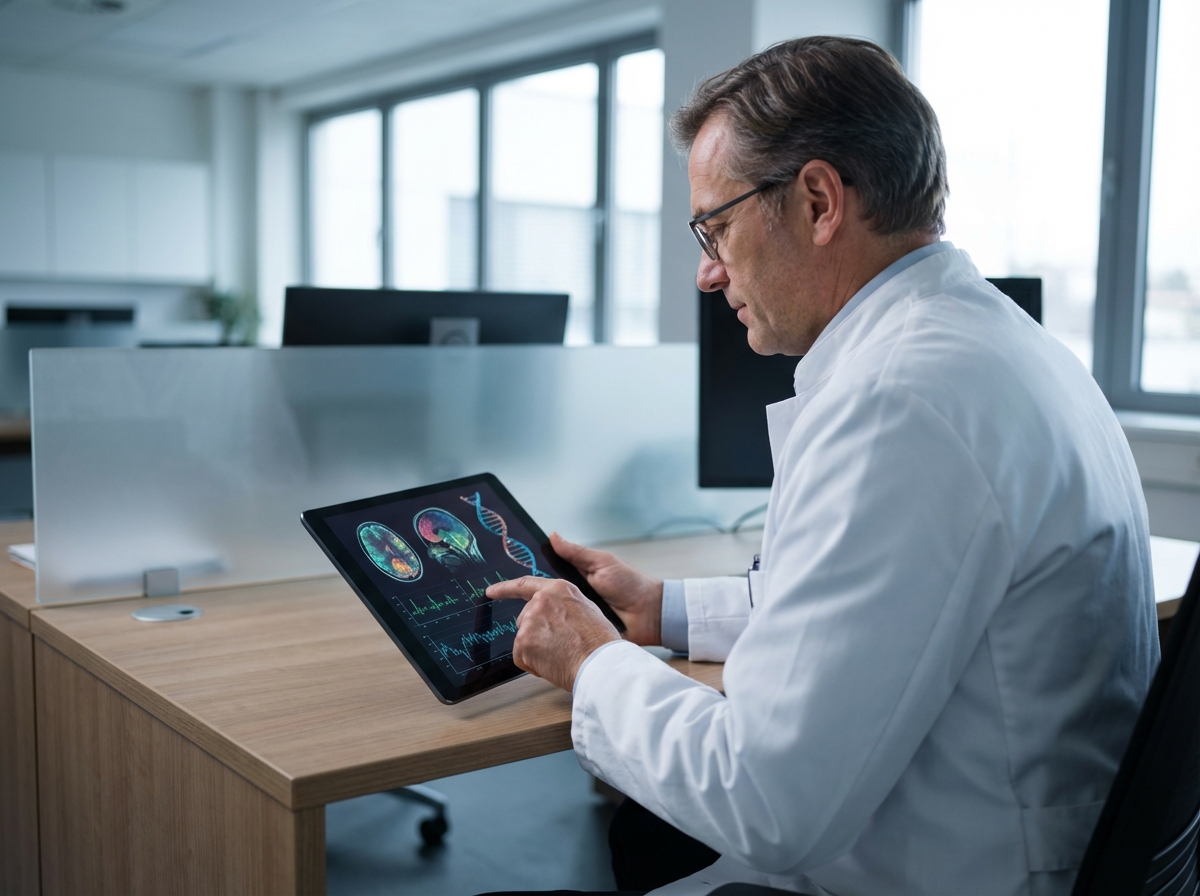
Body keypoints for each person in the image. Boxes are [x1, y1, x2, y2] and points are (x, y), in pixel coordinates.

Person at [486, 36, 1158, 895]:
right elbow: (873, 614)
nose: (706, 271)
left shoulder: (898, 403)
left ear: (815, 201)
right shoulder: (1001, 349)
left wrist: (592, 662)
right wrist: (661, 610)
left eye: (716, 226)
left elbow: (764, 800)